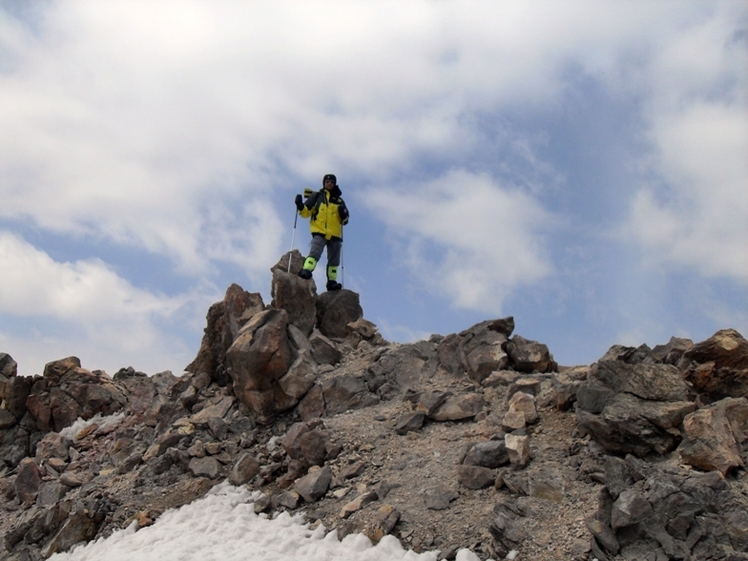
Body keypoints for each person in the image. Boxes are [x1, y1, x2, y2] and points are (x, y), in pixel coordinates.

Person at [294, 173, 349, 291]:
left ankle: (332, 282)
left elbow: (345, 220)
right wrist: (300, 205)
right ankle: (306, 270)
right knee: (315, 252)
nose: (329, 184)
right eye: (327, 182)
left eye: (331, 182)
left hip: (335, 234)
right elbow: (306, 212)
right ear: (324, 183)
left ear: (334, 184)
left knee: (334, 260)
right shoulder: (317, 196)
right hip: (320, 231)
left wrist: (344, 215)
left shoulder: (339, 201)